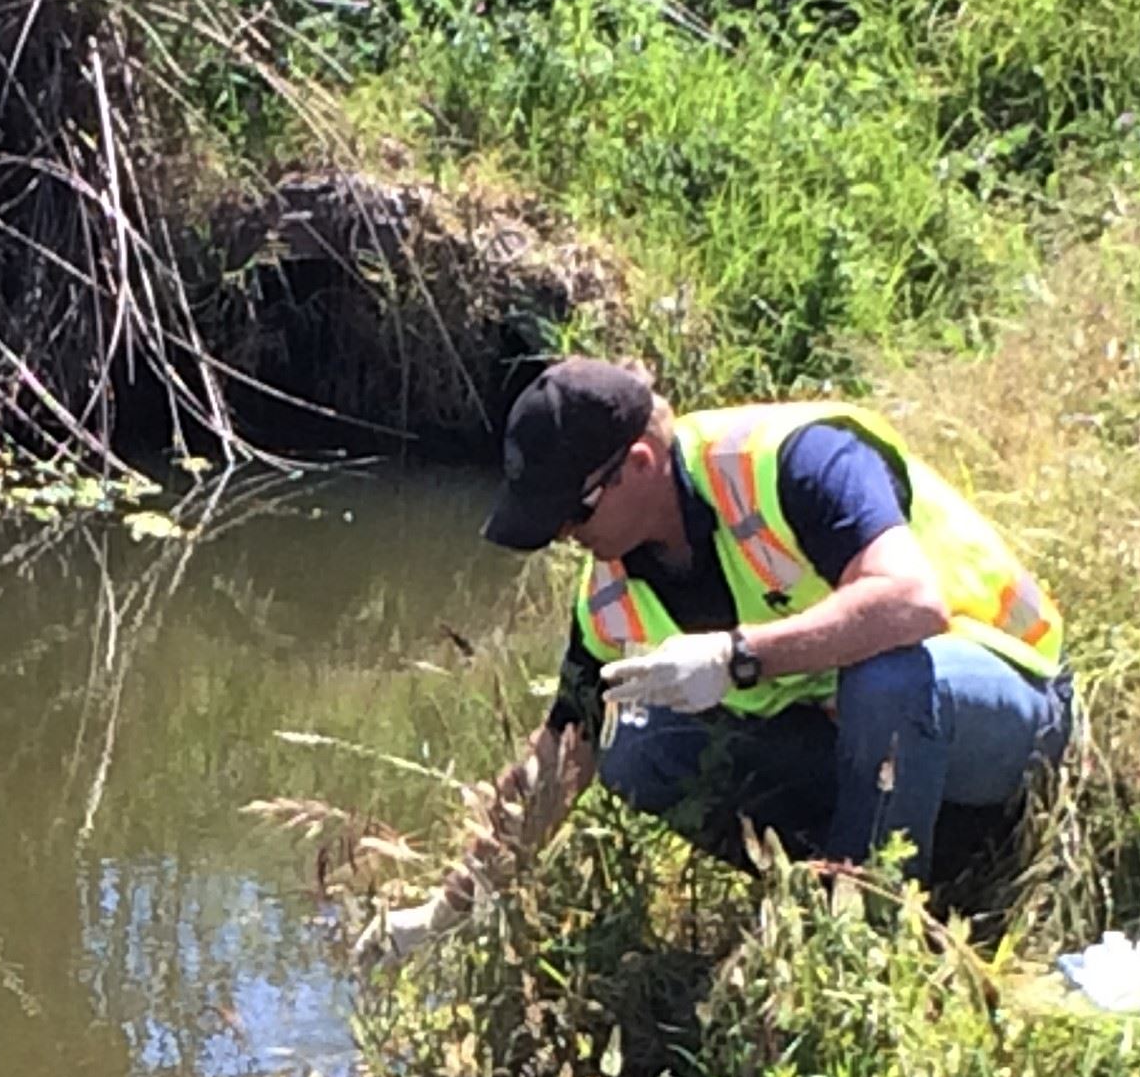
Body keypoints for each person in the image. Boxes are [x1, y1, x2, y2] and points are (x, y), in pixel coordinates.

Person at [362, 358, 1071, 956]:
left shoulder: (796, 460)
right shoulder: (611, 597)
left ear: (636, 464)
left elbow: (913, 602)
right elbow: (555, 761)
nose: (563, 536)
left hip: (1004, 707)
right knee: (634, 746)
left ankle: (859, 949)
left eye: (572, 514)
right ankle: (873, 884)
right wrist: (442, 914)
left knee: (886, 676)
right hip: (868, 756)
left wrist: (736, 656)